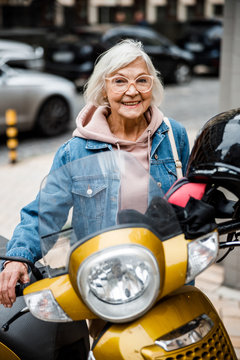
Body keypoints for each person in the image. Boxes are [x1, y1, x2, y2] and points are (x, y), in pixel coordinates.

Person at [0, 39, 189, 308]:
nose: (132, 91)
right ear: (103, 88)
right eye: (120, 81)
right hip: (106, 287)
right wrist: (19, 257)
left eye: (142, 81)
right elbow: (44, 213)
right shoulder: (76, 151)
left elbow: (192, 197)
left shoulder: (173, 136)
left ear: (153, 86)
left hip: (169, 276)